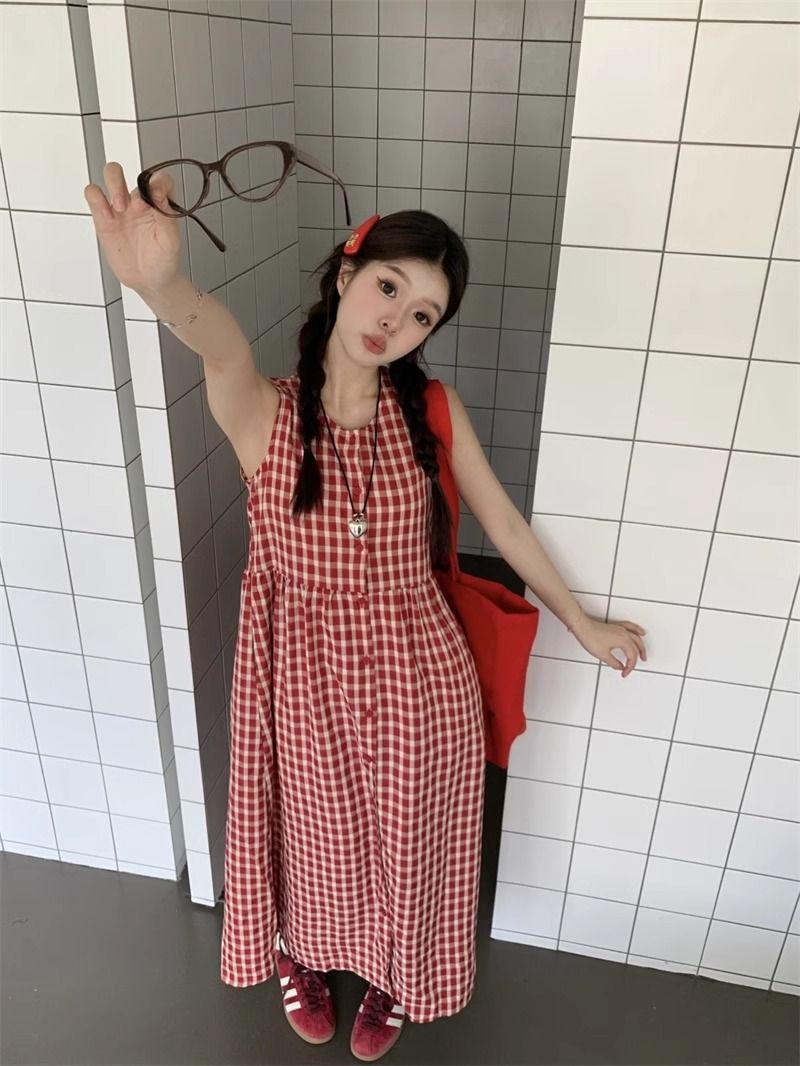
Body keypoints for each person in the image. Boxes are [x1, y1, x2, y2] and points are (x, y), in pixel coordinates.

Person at [85, 162, 648, 1062]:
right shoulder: (264, 413)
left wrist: (584, 625)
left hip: (420, 673)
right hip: (303, 680)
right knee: (319, 841)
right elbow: (219, 346)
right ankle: (304, 959)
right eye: (389, 287)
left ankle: (394, 975)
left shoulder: (432, 411)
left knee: (412, 836)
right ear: (347, 273)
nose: (396, 320)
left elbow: (504, 523)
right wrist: (162, 284)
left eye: (423, 314)